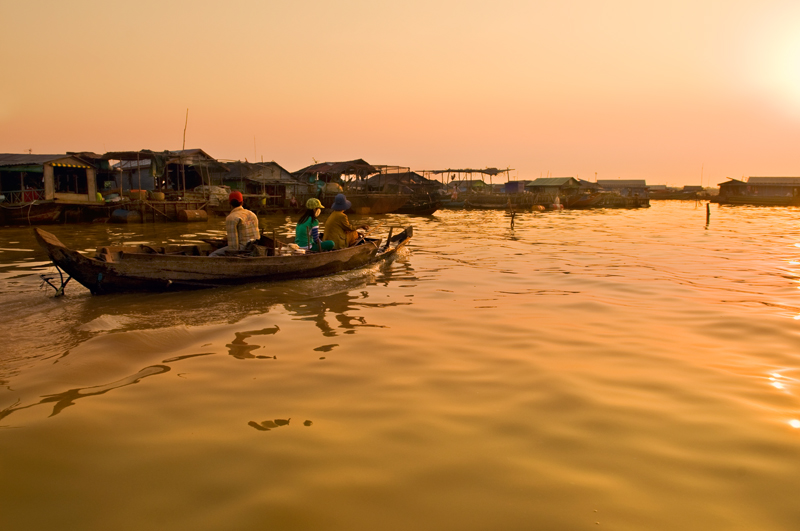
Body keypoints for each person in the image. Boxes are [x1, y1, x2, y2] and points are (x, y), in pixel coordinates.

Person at [210, 191, 260, 256]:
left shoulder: (231, 218)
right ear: (242, 202)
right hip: (257, 247)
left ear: (230, 203)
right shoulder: (252, 214)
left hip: (244, 249)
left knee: (212, 255)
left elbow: (233, 247)